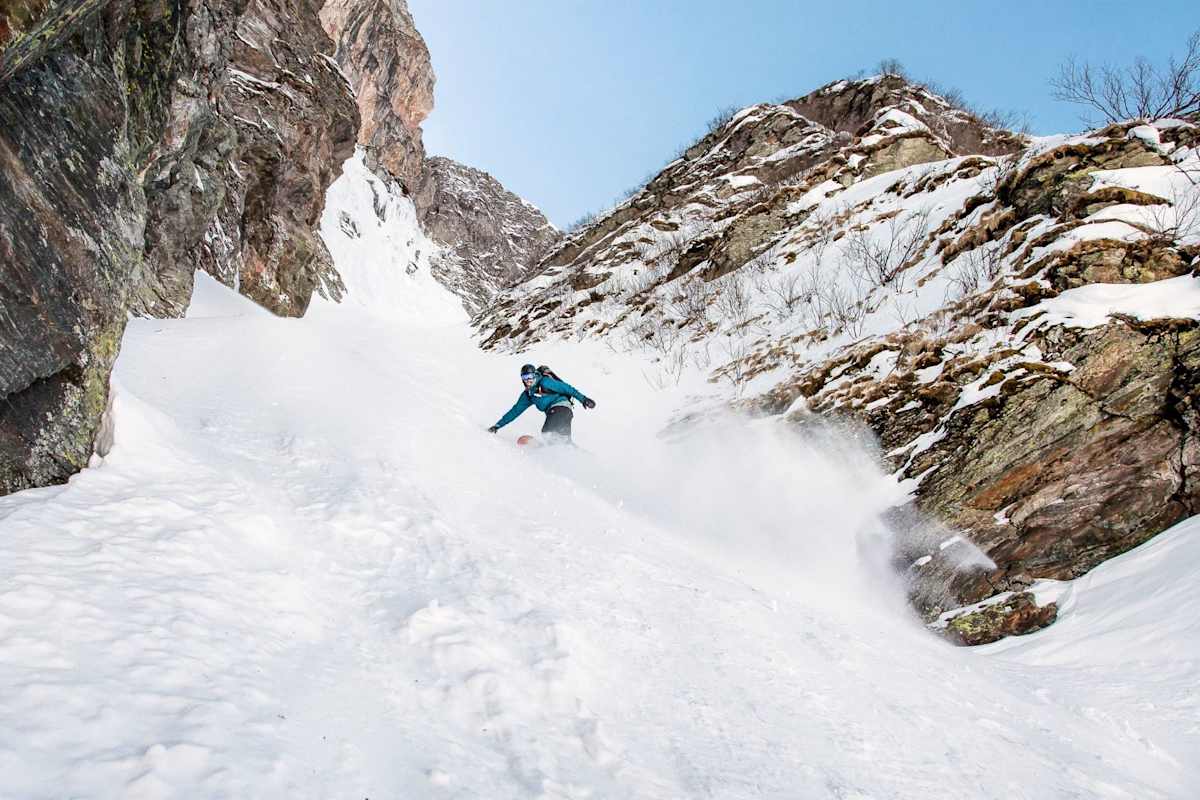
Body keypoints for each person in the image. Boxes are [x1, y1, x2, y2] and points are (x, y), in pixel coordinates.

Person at [488, 364, 596, 441]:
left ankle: (549, 452)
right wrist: (497, 426)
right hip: (556, 413)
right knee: (564, 440)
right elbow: (515, 411)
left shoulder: (545, 382)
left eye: (530, 376)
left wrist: (584, 399)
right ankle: (580, 458)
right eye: (525, 377)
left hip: (561, 408)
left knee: (548, 432)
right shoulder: (528, 394)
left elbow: (567, 389)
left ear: (535, 375)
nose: (528, 380)